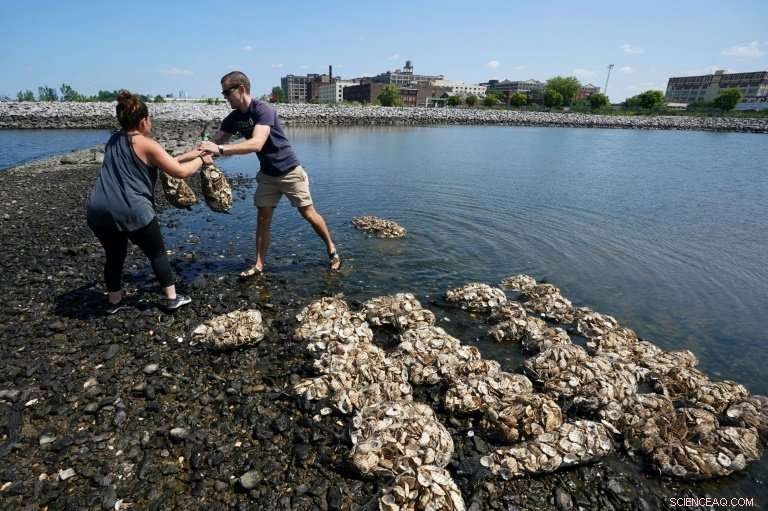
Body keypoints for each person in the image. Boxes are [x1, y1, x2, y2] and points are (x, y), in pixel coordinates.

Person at [197, 71, 340, 277]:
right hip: (267, 175)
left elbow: (256, 143)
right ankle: (259, 264)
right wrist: (170, 161)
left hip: (290, 171)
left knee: (308, 214)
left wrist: (219, 150)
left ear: (241, 89)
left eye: (227, 92)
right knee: (263, 219)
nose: (225, 97)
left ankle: (331, 249)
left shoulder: (263, 110)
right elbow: (215, 140)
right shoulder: (234, 117)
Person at [86, 90, 213, 313]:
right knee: (157, 253)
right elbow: (181, 172)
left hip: (98, 210)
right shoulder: (146, 143)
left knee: (115, 255)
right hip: (132, 210)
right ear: (144, 121)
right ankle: (172, 298)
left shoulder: (114, 139)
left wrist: (192, 153)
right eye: (150, 119)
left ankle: (114, 302)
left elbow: (162, 161)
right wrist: (202, 160)